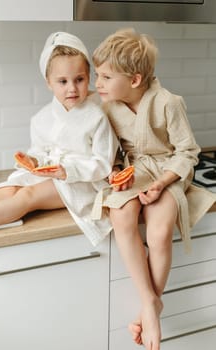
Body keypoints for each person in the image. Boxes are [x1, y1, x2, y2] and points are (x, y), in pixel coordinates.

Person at [92, 28, 216, 350]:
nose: (98, 84)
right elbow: (113, 153)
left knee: (159, 233)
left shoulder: (168, 103)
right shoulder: (108, 109)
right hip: (135, 173)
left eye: (105, 77)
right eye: (97, 75)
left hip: (167, 173)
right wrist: (117, 171)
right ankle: (151, 302)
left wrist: (162, 183)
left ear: (134, 80)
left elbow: (188, 152)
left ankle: (150, 306)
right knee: (122, 217)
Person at [0, 31, 118, 247]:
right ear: (48, 82)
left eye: (79, 79)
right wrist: (33, 161)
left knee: (26, 196)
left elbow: (103, 163)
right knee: (10, 189)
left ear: (89, 77)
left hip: (80, 182)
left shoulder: (97, 117)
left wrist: (68, 171)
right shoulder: (41, 118)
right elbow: (40, 152)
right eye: (63, 81)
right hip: (50, 176)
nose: (72, 88)